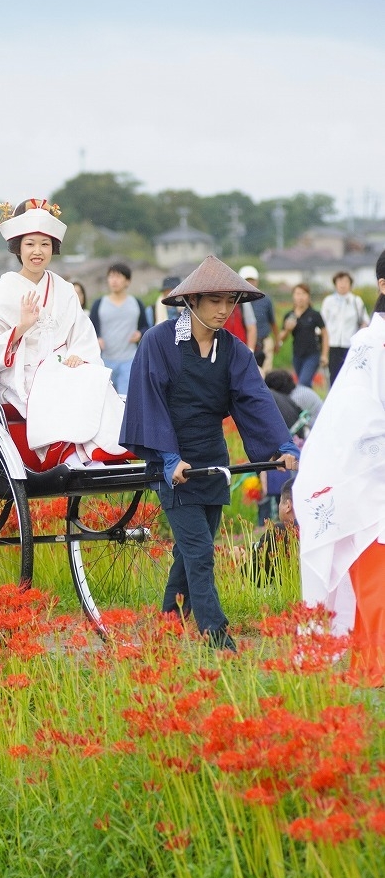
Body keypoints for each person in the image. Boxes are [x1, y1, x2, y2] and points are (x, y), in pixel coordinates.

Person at [121, 255, 299, 651]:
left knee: (188, 554)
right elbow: (149, 402)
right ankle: (217, 636)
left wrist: (283, 445)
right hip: (172, 459)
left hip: (212, 459)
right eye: (215, 301)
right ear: (192, 302)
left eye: (230, 301)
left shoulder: (234, 349)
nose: (224, 310)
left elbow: (254, 398)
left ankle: (167, 625)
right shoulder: (159, 342)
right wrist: (167, 458)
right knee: (201, 552)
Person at [0, 199, 125, 465]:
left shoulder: (64, 288)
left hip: (63, 363)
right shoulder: (4, 289)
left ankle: (98, 449)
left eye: (45, 244)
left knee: (91, 375)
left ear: (54, 247)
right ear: (18, 247)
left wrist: (79, 355)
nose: (37, 251)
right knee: (53, 383)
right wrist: (21, 328)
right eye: (30, 244)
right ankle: (68, 453)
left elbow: (82, 333)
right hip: (19, 372)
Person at [295, 251, 385, 671]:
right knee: (373, 580)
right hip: (368, 478)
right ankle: (371, 667)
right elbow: (357, 419)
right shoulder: (371, 342)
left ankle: (370, 668)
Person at [88, 262, 148, 394]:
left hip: (130, 359)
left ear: (127, 281)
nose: (114, 280)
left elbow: (145, 327)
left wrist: (140, 333)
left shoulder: (136, 303)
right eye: (111, 277)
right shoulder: (99, 304)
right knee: (107, 397)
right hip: (105, 360)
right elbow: (90, 329)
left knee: (125, 397)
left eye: (118, 277)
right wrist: (97, 338)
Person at [321, 270, 368, 383]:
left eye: (346, 282)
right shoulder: (329, 301)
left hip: (350, 344)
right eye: (340, 281)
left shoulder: (356, 301)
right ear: (335, 284)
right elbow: (322, 322)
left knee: (350, 375)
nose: (342, 284)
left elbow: (365, 321)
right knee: (334, 375)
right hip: (333, 344)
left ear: (350, 284)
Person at [278, 284, 328, 388]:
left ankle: (306, 402)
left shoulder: (314, 314)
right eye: (297, 294)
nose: (300, 297)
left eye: (303, 294)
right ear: (293, 296)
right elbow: (281, 337)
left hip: (312, 354)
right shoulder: (290, 315)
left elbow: (325, 334)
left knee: (303, 383)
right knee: (305, 384)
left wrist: (324, 355)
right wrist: (288, 330)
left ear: (308, 296)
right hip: (297, 355)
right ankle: (310, 403)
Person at [250, 477, 297, 583]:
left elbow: (255, 575)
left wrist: (241, 557)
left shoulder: (279, 531)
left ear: (288, 506)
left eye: (280, 502)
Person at [239, 265, 278, 370]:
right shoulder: (237, 300)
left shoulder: (265, 299)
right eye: (247, 280)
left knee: (264, 373)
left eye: (252, 280)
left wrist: (277, 341)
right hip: (244, 344)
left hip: (264, 342)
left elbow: (272, 322)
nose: (250, 283)